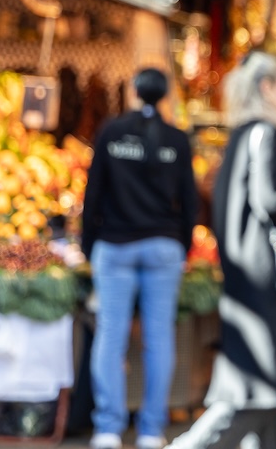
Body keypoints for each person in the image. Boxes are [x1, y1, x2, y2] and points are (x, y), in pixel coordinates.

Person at [169, 51, 276, 449]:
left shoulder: (243, 133)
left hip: (243, 267)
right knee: (256, 376)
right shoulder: (264, 132)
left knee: (260, 378)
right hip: (258, 269)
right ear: (267, 87)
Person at [82, 68, 199, 449]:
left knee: (110, 336)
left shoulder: (111, 132)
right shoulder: (177, 139)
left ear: (133, 91)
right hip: (163, 247)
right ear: (165, 95)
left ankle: (108, 429)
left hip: (114, 246)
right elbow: (190, 201)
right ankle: (151, 430)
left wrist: (89, 244)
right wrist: (181, 244)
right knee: (159, 338)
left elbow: (93, 191)